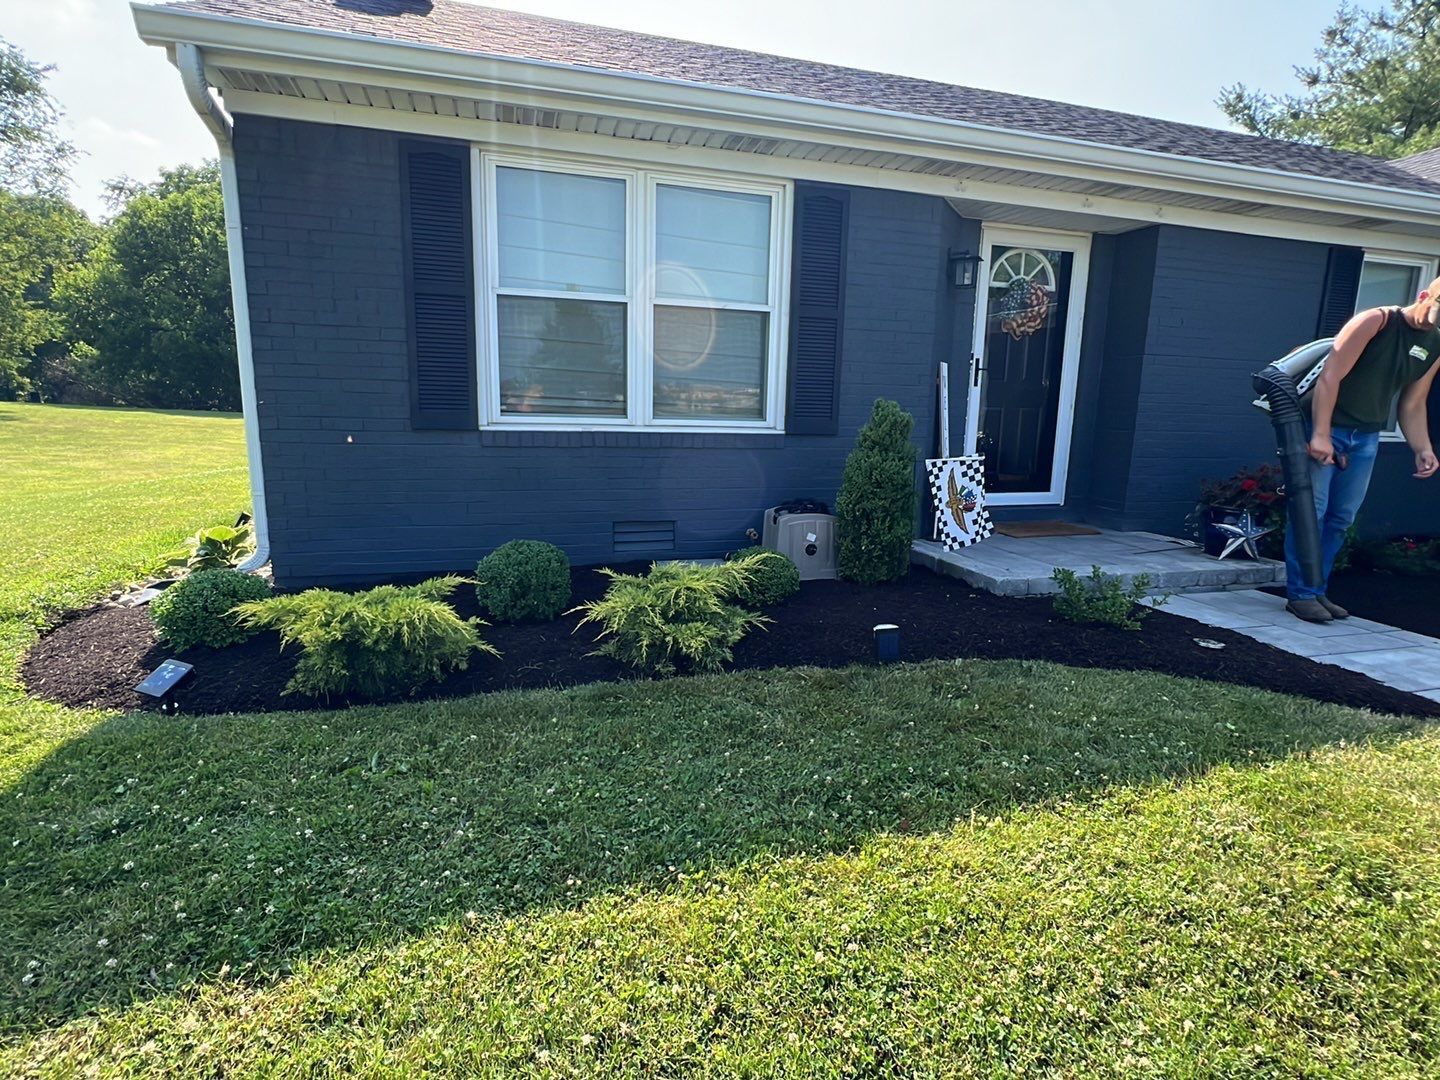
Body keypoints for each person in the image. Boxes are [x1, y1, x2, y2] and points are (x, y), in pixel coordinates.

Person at [1284, 278, 1440, 622]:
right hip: (1326, 428)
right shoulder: (1376, 321)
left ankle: (1317, 589)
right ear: (1425, 296)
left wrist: (1422, 447)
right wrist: (1321, 434)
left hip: (1366, 437)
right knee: (1313, 511)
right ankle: (1301, 594)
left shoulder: (1436, 344)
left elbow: (1414, 402)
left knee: (1341, 518)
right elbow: (1329, 377)